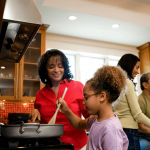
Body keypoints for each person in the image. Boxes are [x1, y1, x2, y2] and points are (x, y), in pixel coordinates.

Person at [29, 49, 90, 150]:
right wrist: (34, 112)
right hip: (51, 146)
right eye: (51, 67)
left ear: (65, 68)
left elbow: (91, 119)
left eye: (60, 66)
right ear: (45, 69)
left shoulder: (78, 87)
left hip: (78, 146)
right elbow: (41, 125)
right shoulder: (40, 95)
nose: (56, 70)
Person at [57, 65, 129, 150]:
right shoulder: (95, 119)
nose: (83, 102)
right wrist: (66, 110)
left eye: (86, 97)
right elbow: (79, 124)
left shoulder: (111, 130)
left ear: (102, 96)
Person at [113, 54, 150, 150]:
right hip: (129, 131)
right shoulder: (128, 83)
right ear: (129, 65)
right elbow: (137, 114)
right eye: (137, 67)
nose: (138, 71)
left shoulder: (116, 84)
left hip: (118, 128)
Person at [138, 72, 150, 150]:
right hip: (143, 136)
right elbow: (140, 127)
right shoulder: (140, 100)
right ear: (145, 85)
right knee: (145, 146)